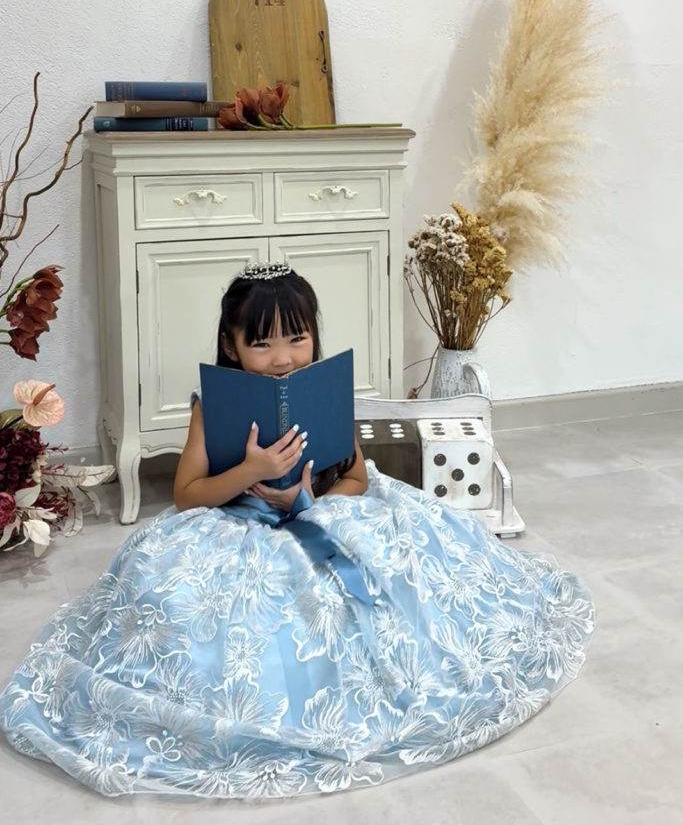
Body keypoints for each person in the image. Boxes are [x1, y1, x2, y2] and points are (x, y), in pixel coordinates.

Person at [0, 263, 594, 799]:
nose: (282, 358)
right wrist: (250, 471)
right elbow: (187, 495)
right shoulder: (212, 405)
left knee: (409, 569)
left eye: (296, 338)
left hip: (322, 510)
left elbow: (357, 477)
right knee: (183, 598)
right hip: (236, 523)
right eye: (261, 343)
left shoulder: (323, 392)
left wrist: (309, 501)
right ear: (231, 347)